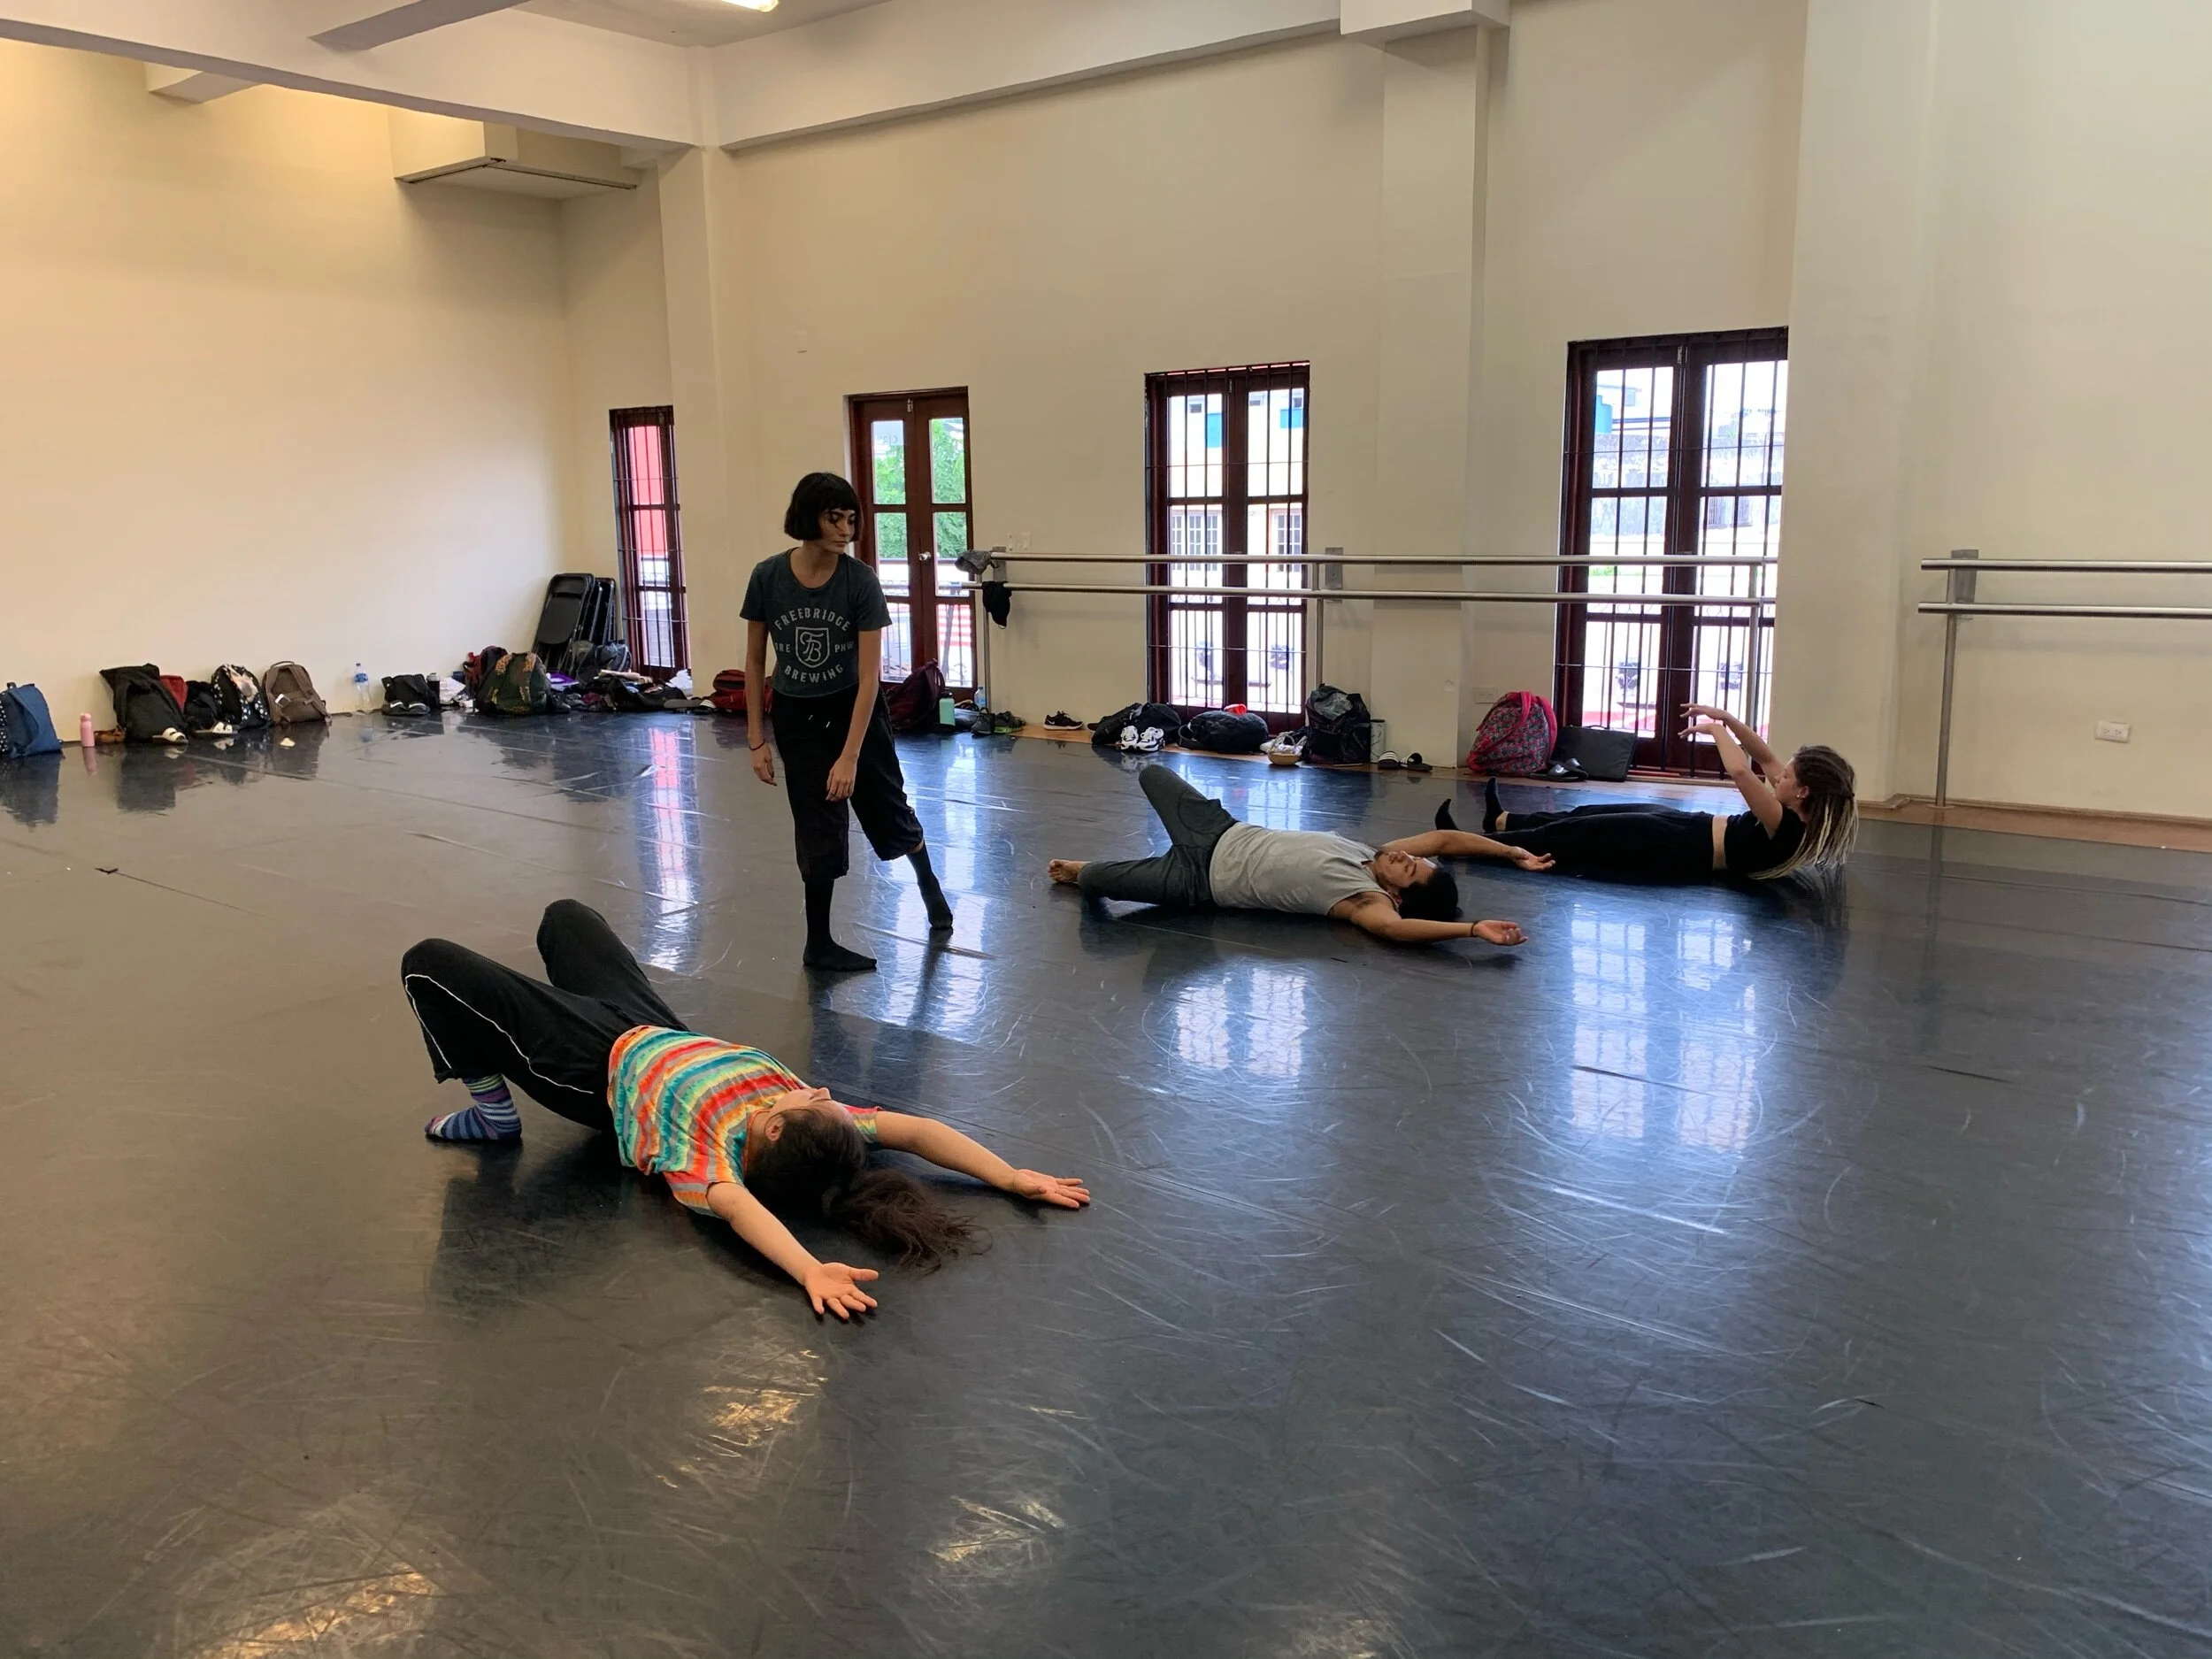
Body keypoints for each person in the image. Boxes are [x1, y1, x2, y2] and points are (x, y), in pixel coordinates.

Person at [401, 901, 1089, 1318]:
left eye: (815, 1100)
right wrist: (1007, 1175)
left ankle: (492, 1116)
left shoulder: (709, 1155)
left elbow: (738, 1209)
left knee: (426, 962)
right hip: (653, 1026)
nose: (823, 1092)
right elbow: (915, 1131)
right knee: (567, 918)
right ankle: (547, 1007)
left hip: (595, 1067)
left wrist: (809, 1268)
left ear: (776, 1125)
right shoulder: (814, 1127)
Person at [744, 472, 953, 972]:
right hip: (797, 715)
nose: (845, 529)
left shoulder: (859, 581)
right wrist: (755, 739)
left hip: (853, 710)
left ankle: (929, 884)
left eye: (851, 519)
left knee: (888, 811)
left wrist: (851, 756)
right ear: (808, 518)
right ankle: (818, 943)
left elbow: (869, 677)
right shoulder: (768, 576)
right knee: (817, 826)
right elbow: (754, 661)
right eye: (833, 518)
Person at [1046, 763, 1541, 949]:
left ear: (1396, 894)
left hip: (1197, 883)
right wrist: (1511, 849)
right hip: (1219, 830)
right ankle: (1098, 870)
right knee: (1153, 772)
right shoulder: (1373, 853)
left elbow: (1395, 930)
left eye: (1408, 869)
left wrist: (1472, 929)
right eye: (1411, 858)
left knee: (1095, 882)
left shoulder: (1364, 900)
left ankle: (1089, 870)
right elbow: (1444, 841)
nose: (1402, 856)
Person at [1433, 703, 1857, 881]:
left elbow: (1741, 771)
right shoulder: (1794, 810)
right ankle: (1503, 821)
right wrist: (1727, 718)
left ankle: (1468, 845)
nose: (1780, 776)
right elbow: (1763, 756)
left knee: (1569, 837)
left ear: (1802, 792)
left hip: (1677, 847)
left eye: (1788, 776)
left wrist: (1715, 732)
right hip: (1689, 828)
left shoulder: (1783, 824)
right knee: (1584, 814)